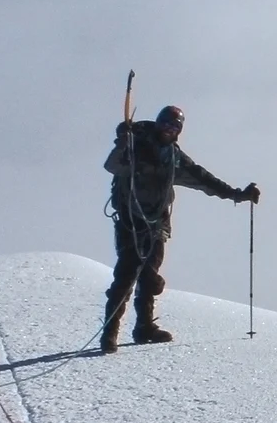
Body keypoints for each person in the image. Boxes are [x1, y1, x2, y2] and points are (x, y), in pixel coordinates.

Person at [103, 103, 259, 351]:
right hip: (131, 223)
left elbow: (204, 179)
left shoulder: (174, 158)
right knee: (127, 276)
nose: (169, 129)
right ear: (158, 123)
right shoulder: (136, 146)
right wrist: (122, 141)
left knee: (149, 277)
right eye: (166, 123)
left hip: (157, 226)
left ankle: (144, 328)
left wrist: (238, 195)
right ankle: (109, 334)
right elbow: (112, 166)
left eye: (175, 126)